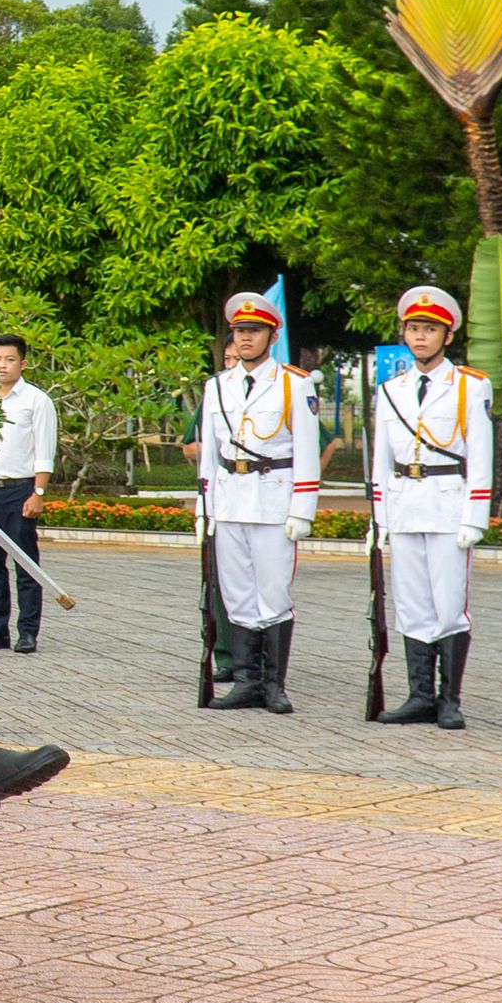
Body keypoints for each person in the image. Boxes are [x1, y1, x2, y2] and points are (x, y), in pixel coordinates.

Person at [368, 285, 494, 729]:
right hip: (405, 503)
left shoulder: (470, 387)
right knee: (412, 602)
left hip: (447, 505)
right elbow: (382, 459)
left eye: (430, 329)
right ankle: (420, 694)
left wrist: (475, 515)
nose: (420, 337)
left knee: (448, 604)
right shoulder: (391, 389)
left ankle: (450, 699)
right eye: (414, 328)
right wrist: (380, 516)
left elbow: (481, 455)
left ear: (448, 335)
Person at [196, 294, 317, 715]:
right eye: (240, 332)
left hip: (273, 500)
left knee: (274, 593)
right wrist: (203, 509)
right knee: (238, 594)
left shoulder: (294, 383)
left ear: (271, 335)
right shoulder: (217, 386)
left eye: (254, 331)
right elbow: (210, 455)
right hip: (229, 501)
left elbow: (305, 449)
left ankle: (274, 684)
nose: (246, 338)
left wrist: (303, 507)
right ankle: (246, 681)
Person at [0, 334, 57, 654]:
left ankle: (28, 631)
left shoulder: (36, 401)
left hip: (19, 491)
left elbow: (45, 451)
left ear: (23, 363)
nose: (2, 366)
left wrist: (38, 492)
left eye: (10, 360)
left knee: (25, 564)